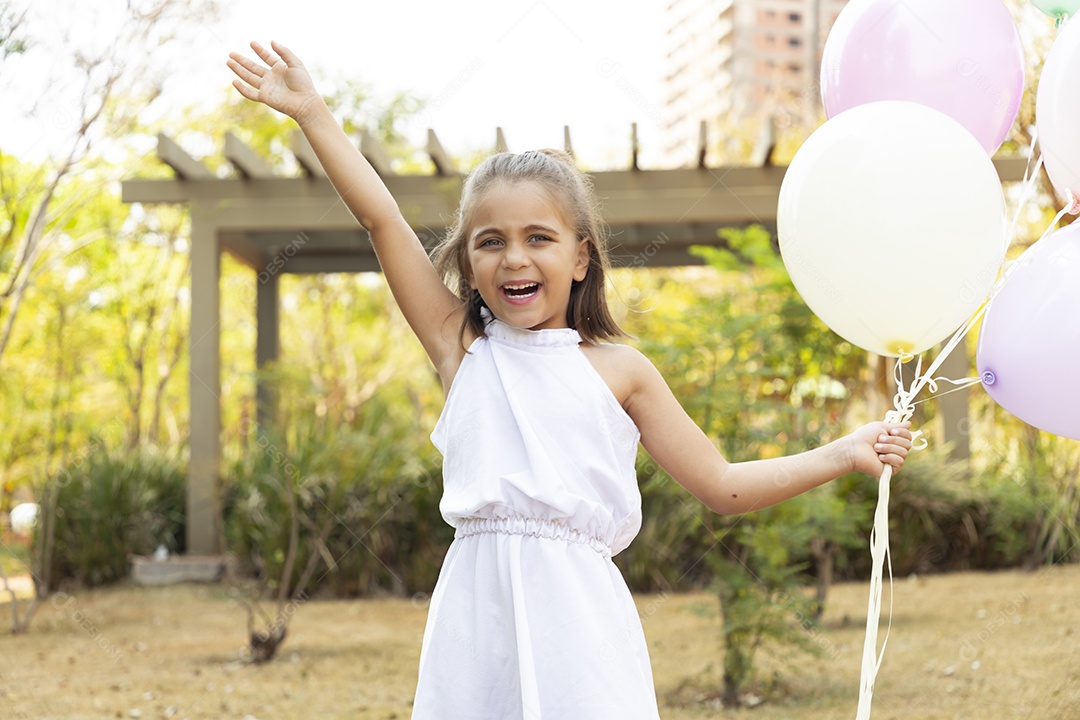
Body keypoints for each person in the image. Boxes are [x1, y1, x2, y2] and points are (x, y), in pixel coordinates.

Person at [227, 41, 913, 719]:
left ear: (581, 257)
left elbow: (723, 485)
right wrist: (313, 113)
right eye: (490, 241)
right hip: (476, 625)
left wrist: (843, 452)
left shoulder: (623, 371)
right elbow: (382, 218)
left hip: (582, 631)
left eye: (539, 237)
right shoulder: (462, 348)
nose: (513, 258)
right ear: (467, 264)